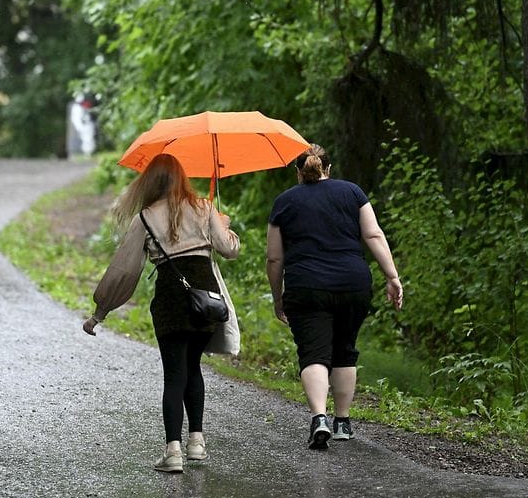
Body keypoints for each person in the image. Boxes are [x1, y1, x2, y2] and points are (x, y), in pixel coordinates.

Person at [82, 153, 240, 473]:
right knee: (193, 368)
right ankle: (196, 443)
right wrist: (223, 225)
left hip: (171, 298)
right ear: (182, 177)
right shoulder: (204, 207)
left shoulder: (146, 217)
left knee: (174, 374)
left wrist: (101, 311)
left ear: (151, 181)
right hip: (205, 299)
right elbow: (230, 249)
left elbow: (124, 270)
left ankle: (174, 452)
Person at [265, 144, 403, 450]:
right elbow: (373, 235)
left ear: (298, 171)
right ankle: (342, 422)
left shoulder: (284, 202)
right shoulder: (353, 193)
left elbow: (274, 259)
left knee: (313, 353)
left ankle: (319, 418)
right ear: (329, 168)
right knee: (344, 350)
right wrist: (392, 277)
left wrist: (278, 298)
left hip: (306, 286)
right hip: (353, 283)